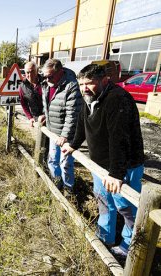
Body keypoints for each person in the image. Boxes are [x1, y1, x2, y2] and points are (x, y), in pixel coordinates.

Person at [61, 64, 144, 259]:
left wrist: (116, 173)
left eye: (89, 83)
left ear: (104, 80)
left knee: (126, 207)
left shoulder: (117, 100)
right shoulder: (89, 98)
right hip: (100, 166)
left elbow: (119, 138)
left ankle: (128, 246)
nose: (84, 88)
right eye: (81, 84)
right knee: (104, 201)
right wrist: (73, 144)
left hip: (124, 166)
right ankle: (106, 237)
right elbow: (82, 124)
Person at [38, 59, 82, 193]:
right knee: (52, 161)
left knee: (66, 165)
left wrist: (65, 135)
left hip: (66, 136)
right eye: (44, 76)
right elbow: (49, 104)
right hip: (53, 131)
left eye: (50, 76)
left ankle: (68, 191)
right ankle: (56, 187)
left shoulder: (72, 86)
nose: (46, 79)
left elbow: (72, 114)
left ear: (60, 72)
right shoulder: (47, 83)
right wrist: (46, 115)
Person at [18, 61, 43, 127]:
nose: (30, 75)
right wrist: (30, 117)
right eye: (28, 72)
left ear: (37, 71)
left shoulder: (45, 83)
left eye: (32, 72)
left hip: (48, 118)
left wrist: (45, 115)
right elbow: (23, 104)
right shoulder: (22, 86)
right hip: (36, 120)